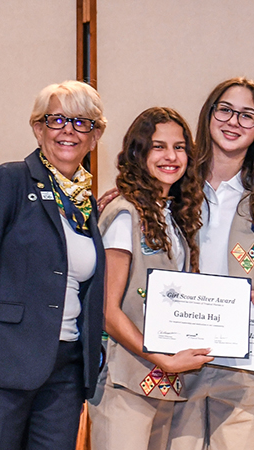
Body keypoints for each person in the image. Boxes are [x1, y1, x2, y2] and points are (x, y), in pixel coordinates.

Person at [0, 80, 108, 449]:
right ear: (37, 127)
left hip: (65, 372)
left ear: (95, 136)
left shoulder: (86, 205)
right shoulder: (8, 181)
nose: (68, 130)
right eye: (57, 119)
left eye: (82, 122)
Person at [169, 77, 254, 450]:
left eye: (247, 116)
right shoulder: (172, 186)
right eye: (225, 110)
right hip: (175, 356)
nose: (233, 121)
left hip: (243, 364)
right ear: (208, 117)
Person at [89, 107, 209, 450]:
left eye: (179, 147)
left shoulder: (174, 216)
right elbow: (108, 312)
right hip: (126, 381)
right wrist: (165, 360)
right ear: (138, 153)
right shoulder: (125, 212)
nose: (171, 156)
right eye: (158, 147)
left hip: (167, 383)